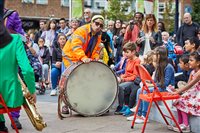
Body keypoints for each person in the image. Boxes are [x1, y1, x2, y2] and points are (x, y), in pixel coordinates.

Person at [0, 3, 36, 132]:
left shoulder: (12, 14)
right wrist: (32, 90)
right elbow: (27, 69)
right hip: (12, 51)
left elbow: (20, 31)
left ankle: (13, 118)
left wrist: (25, 41)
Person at [134, 46, 175, 124]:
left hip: (167, 89)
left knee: (146, 91)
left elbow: (165, 83)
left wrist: (152, 85)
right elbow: (155, 80)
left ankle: (144, 116)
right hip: (159, 87)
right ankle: (138, 114)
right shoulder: (158, 66)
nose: (153, 56)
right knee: (140, 90)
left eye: (155, 54)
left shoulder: (168, 67)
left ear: (159, 56)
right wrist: (148, 82)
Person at [171, 51, 200, 132]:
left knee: (182, 100)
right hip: (193, 92)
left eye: (191, 60)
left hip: (198, 94)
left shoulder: (199, 73)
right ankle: (180, 123)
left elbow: (190, 85)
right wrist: (178, 91)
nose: (189, 62)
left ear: (198, 63)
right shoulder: (192, 72)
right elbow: (188, 85)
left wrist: (177, 92)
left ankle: (186, 125)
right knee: (178, 100)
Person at [114, 42, 141, 116]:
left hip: (133, 82)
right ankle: (124, 106)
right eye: (125, 52)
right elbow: (126, 73)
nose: (125, 54)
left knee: (121, 87)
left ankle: (122, 106)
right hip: (128, 79)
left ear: (133, 52)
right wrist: (122, 76)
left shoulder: (137, 61)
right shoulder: (128, 60)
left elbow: (135, 76)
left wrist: (124, 79)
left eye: (127, 52)